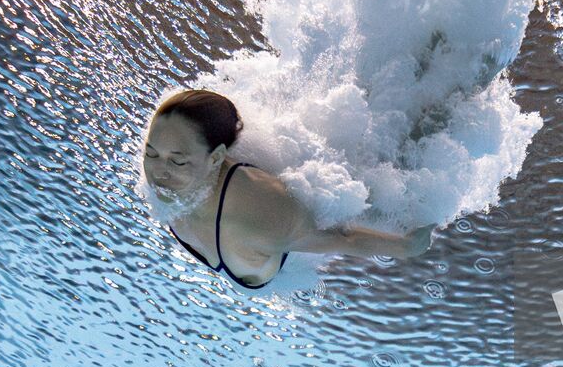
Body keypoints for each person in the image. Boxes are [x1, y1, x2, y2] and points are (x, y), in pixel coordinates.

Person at [138, 89, 435, 288]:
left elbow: (343, 238)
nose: (158, 172)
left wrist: (406, 246)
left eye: (177, 162)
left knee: (394, 165)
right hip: (250, 240)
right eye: (151, 153)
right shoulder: (167, 170)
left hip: (296, 235)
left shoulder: (256, 219)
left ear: (216, 157)